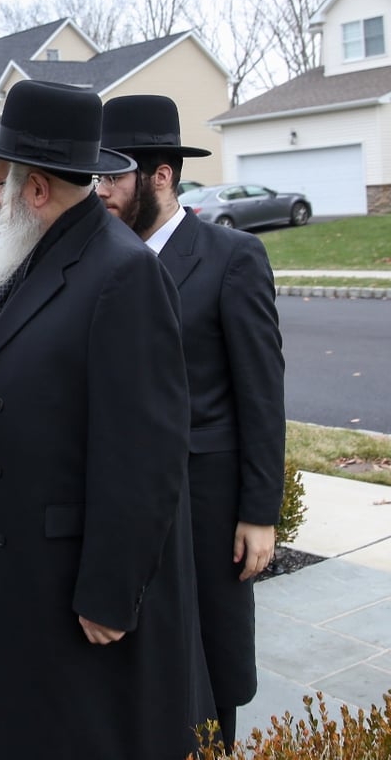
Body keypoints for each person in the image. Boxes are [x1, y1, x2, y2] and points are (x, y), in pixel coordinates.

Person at [0, 80, 215, 758]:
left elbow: (146, 452)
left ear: (37, 190)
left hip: (72, 592)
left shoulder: (122, 274)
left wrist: (109, 589)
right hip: (19, 572)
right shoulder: (30, 259)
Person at [99, 94, 286, 750]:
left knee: (210, 669)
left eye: (113, 175)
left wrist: (260, 512)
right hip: (126, 510)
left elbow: (261, 395)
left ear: (161, 174)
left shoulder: (231, 258)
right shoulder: (101, 263)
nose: (102, 192)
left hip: (206, 510)